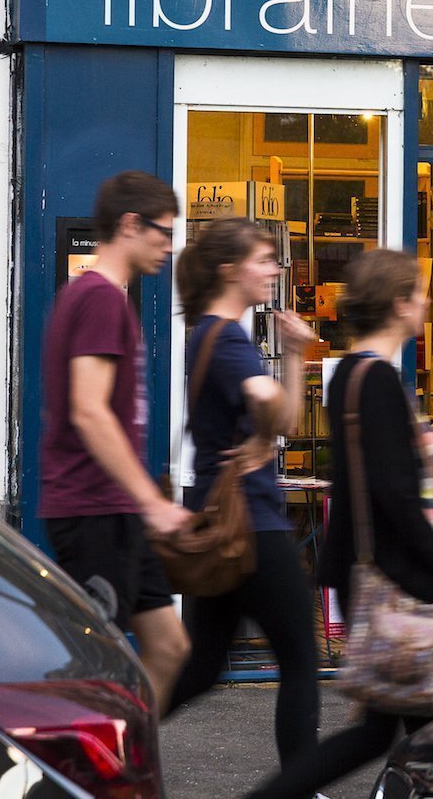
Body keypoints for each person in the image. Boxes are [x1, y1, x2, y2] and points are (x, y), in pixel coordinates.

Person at [249, 248, 433, 799]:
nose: (425, 301)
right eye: (418, 292)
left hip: (371, 574)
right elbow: (393, 493)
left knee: (388, 732)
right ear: (398, 304)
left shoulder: (348, 374)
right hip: (400, 580)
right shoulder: (374, 382)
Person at [164, 218, 322, 768]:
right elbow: (282, 415)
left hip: (222, 521)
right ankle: (301, 784)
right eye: (263, 259)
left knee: (203, 666)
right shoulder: (228, 338)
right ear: (230, 270)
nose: (273, 269)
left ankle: (108, 738)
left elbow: (278, 424)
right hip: (251, 525)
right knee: (301, 658)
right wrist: (296, 354)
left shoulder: (202, 334)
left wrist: (265, 428)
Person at [39, 170, 191, 711]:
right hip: (94, 509)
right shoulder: (100, 298)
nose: (168, 247)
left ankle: (120, 764)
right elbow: (89, 409)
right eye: (162, 232)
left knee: (169, 647)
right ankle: (84, 772)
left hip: (116, 506)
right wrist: (152, 502)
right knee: (95, 669)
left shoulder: (103, 297)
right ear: (130, 224)